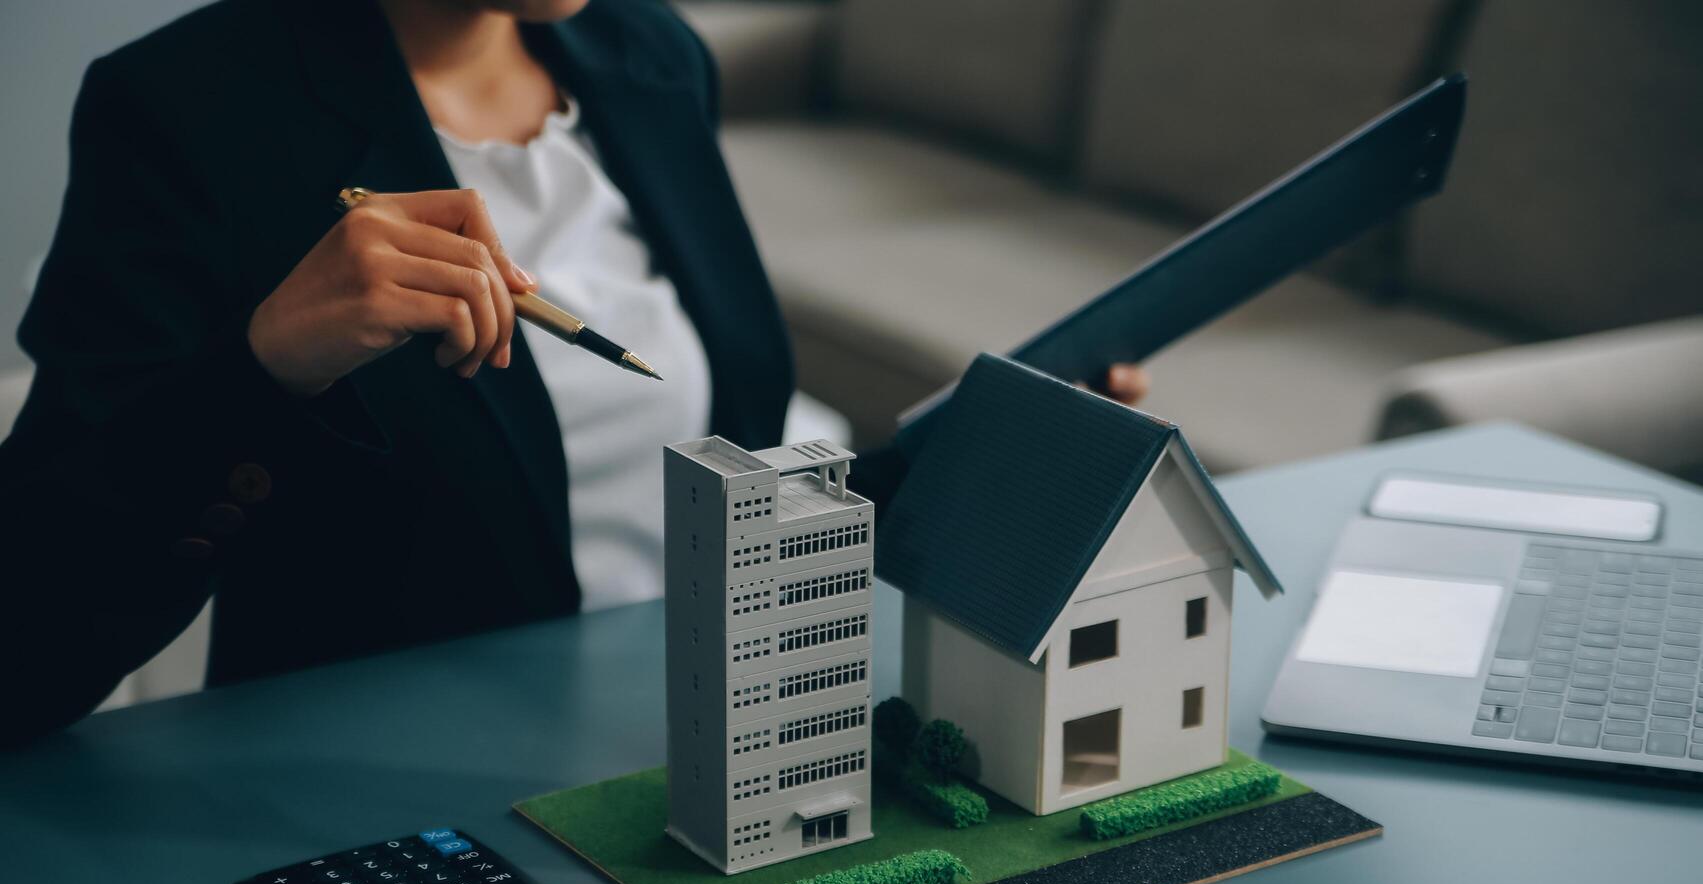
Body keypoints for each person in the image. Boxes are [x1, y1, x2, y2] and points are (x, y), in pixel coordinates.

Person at [0, 0, 1150, 746]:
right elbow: (32, 630)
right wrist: (266, 366)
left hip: (711, 740)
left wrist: (989, 453)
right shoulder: (185, 106)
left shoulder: (648, 56)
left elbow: (732, 462)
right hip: (391, 792)